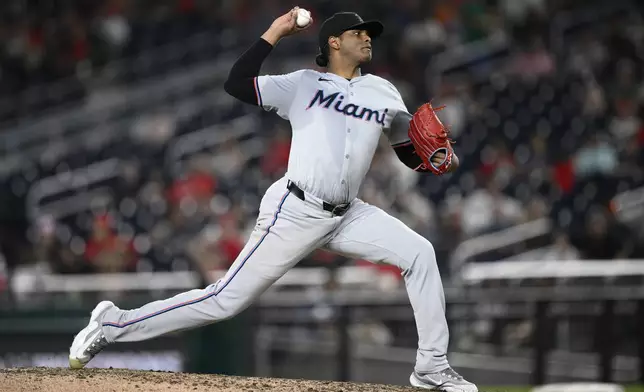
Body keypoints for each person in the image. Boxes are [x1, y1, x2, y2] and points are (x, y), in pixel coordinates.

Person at [69, 8, 476, 391]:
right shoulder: (302, 84)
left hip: (349, 214)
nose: (368, 39)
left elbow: (407, 148)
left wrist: (440, 159)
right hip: (295, 209)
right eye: (359, 33)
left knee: (420, 254)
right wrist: (277, 30)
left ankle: (432, 367)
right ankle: (112, 324)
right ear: (334, 42)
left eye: (370, 34)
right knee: (224, 301)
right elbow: (237, 83)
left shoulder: (383, 90)